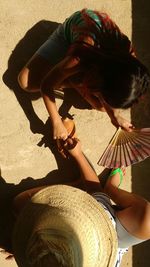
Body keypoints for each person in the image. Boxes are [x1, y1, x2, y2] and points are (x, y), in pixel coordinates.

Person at [12, 138, 150, 267]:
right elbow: (98, 189)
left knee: (20, 202)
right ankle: (85, 188)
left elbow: (97, 188)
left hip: (104, 238)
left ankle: (78, 186)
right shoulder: (143, 217)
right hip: (109, 249)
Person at [18, 9, 150, 140]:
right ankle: (73, 80)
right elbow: (46, 85)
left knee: (101, 107)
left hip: (94, 56)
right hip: (68, 35)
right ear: (100, 77)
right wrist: (56, 122)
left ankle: (73, 80)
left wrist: (115, 116)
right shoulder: (81, 55)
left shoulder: (130, 64)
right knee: (25, 82)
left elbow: (112, 89)